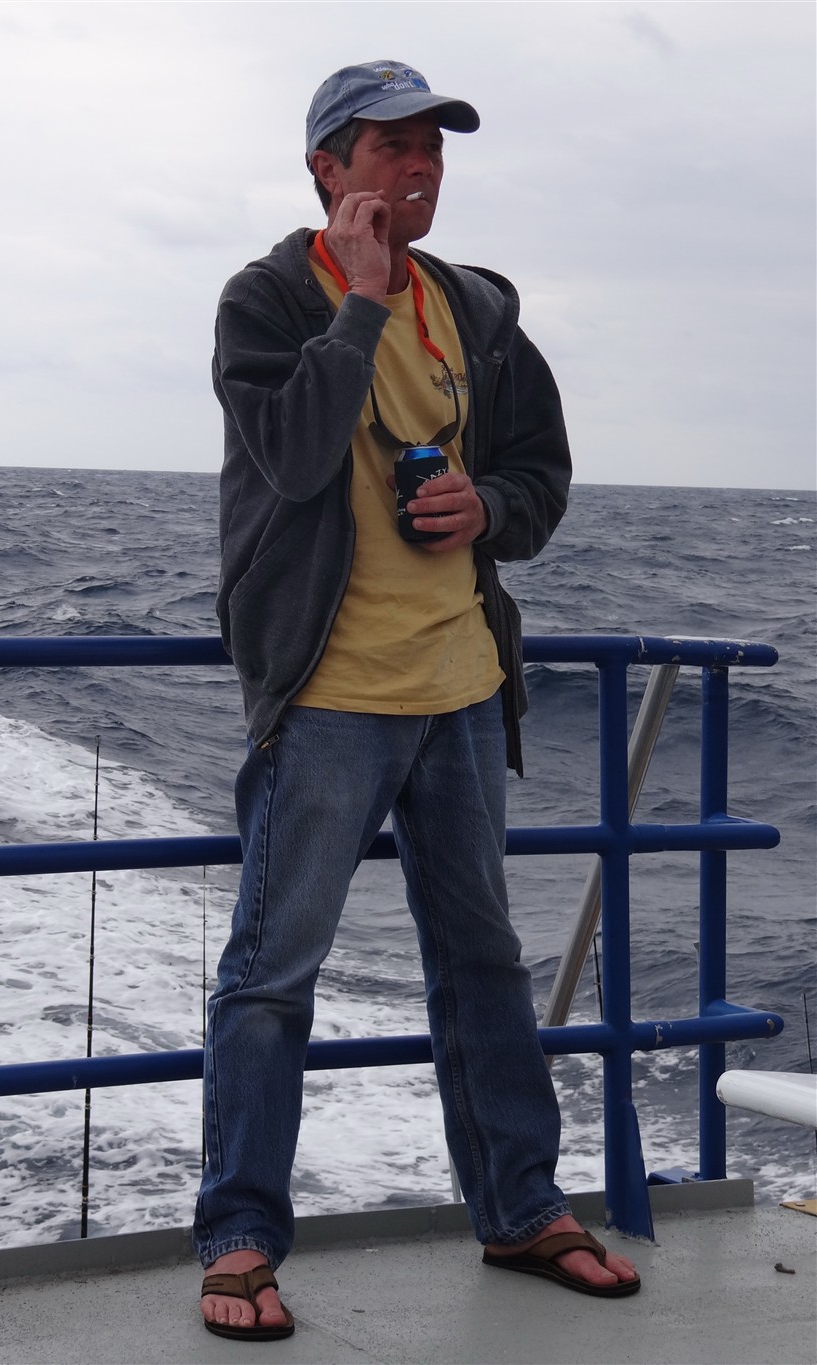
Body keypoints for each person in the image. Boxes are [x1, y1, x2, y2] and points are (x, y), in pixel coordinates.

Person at [194, 61, 641, 1340]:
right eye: (390, 147)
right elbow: (292, 457)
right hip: (326, 694)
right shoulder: (268, 298)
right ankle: (238, 1238)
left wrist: (483, 506)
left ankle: (520, 1209)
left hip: (460, 690)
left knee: (484, 963)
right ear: (325, 170)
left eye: (433, 147)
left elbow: (539, 479)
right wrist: (360, 303)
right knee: (273, 974)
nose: (420, 167)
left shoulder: (479, 307)